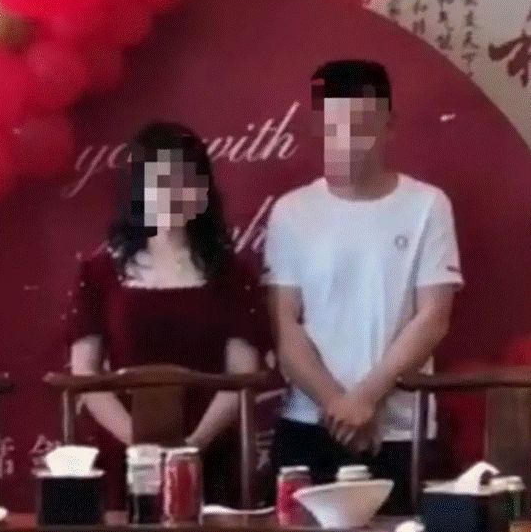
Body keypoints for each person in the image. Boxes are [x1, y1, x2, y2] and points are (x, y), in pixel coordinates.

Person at [265, 60, 463, 514]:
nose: (348, 141)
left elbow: (433, 317)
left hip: (400, 428)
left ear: (389, 125)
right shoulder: (291, 212)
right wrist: (337, 403)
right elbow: (284, 324)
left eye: (362, 126)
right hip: (310, 422)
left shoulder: (427, 205)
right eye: (334, 126)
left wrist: (365, 398)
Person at [67, 121, 267, 507]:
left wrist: (191, 447)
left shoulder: (232, 273)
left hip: (213, 455)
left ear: (203, 191)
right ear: (137, 191)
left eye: (184, 180)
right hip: (126, 458)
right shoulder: (99, 272)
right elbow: (85, 375)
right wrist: (139, 445)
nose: (172, 194)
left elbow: (241, 376)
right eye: (159, 181)